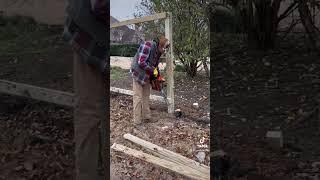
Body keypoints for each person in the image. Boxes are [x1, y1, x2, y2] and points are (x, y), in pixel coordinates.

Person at [62, 0, 108, 179]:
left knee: (106, 112)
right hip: (88, 28)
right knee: (88, 111)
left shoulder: (155, 50)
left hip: (103, 27)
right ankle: (86, 174)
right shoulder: (148, 47)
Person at [130, 36, 170, 126]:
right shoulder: (148, 45)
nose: (164, 51)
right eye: (164, 48)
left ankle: (146, 117)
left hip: (146, 75)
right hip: (138, 74)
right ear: (160, 45)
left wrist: (158, 77)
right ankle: (137, 121)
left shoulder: (158, 52)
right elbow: (141, 62)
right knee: (138, 97)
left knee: (146, 96)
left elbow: (154, 65)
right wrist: (153, 70)